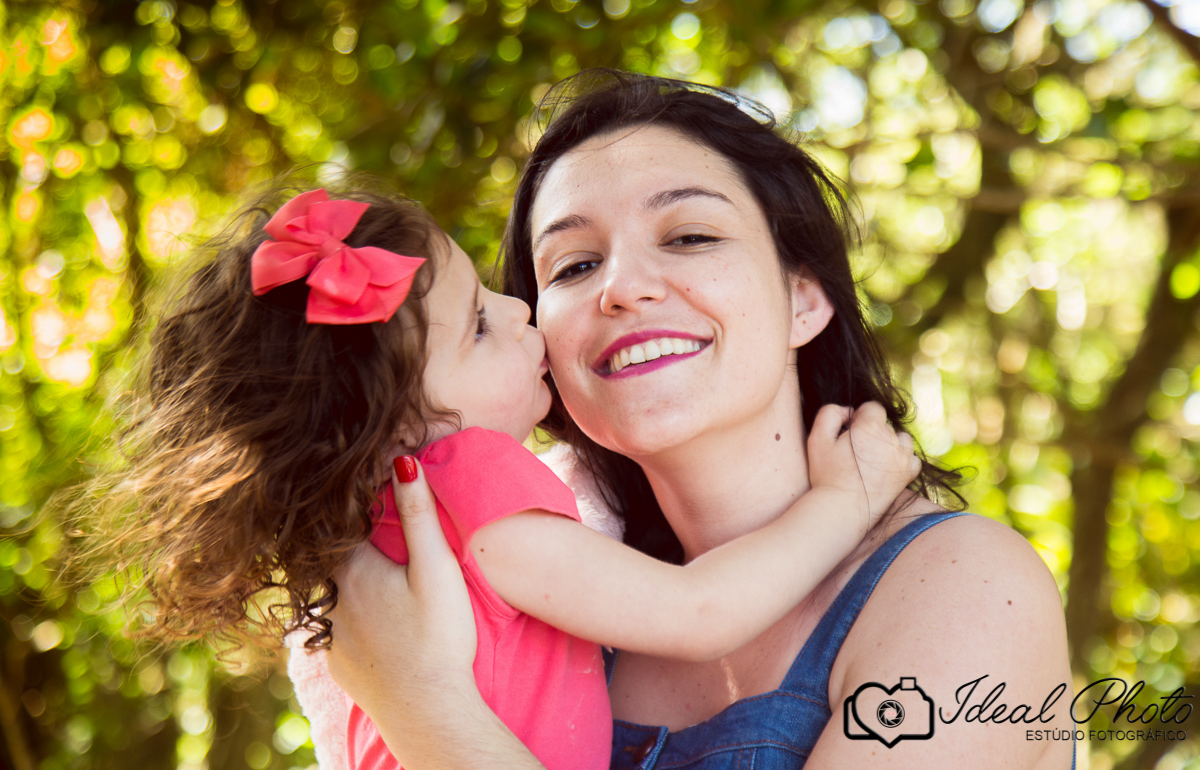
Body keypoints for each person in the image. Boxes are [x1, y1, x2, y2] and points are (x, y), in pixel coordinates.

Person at [323, 72, 1074, 769]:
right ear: (544, 350)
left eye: (689, 236)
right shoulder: (553, 607)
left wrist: (426, 710)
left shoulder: (964, 584)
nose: (621, 288)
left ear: (805, 300)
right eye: (575, 266)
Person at [85, 181, 921, 770]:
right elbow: (700, 611)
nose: (521, 311)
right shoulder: (466, 478)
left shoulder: (389, 527)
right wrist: (846, 499)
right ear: (397, 422)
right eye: (481, 325)